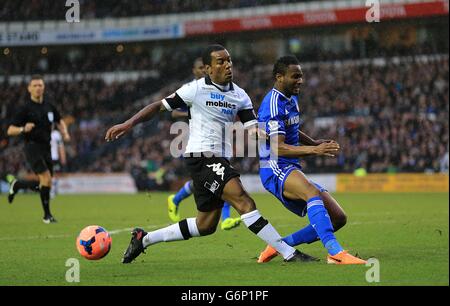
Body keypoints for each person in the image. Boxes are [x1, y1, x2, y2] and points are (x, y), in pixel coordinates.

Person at [106, 45, 317, 264]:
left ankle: (144, 239)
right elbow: (159, 106)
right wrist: (128, 123)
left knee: (205, 225)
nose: (228, 65)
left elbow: (251, 126)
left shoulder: (240, 95)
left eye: (229, 60)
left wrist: (258, 132)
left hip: (219, 158)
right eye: (221, 62)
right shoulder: (194, 89)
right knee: (243, 200)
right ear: (208, 68)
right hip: (201, 156)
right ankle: (289, 253)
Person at [257, 55, 366, 264]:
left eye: (301, 76)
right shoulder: (272, 104)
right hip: (274, 166)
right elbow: (277, 147)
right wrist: (314, 151)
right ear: (279, 77)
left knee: (338, 217)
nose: (300, 80)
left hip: (289, 165)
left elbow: (292, 129)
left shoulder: (291, 98)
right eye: (295, 76)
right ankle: (335, 253)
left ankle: (280, 245)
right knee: (311, 192)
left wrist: (314, 142)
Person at [167, 57, 240, 230]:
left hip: (219, 140)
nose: (203, 71)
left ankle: (175, 199)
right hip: (198, 142)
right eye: (199, 68)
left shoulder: (219, 86)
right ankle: (226, 218)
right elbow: (174, 113)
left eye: (204, 68)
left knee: (210, 181)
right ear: (194, 71)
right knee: (225, 177)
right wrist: (196, 113)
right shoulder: (192, 89)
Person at [7, 75, 70, 223]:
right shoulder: (25, 109)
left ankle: (18, 185)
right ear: (29, 88)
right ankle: (47, 216)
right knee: (46, 179)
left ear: (44, 87)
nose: (38, 88)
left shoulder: (49, 106)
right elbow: (10, 130)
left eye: (40, 85)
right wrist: (23, 128)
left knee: (45, 183)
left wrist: (65, 132)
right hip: (32, 146)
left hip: (46, 147)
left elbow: (59, 120)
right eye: (34, 85)